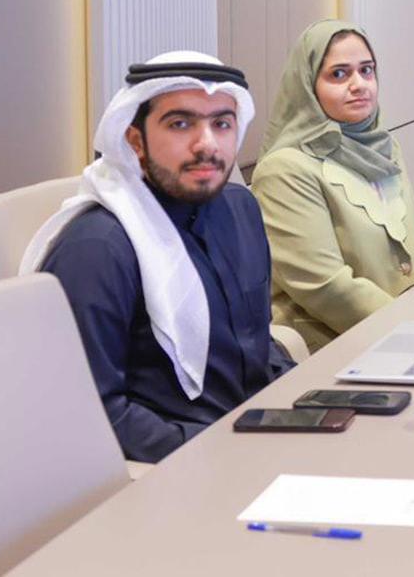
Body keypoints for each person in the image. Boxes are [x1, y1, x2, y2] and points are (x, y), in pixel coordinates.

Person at [20, 52, 294, 463]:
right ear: (135, 141)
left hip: (261, 439)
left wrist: (309, 402)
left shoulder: (240, 208)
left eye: (222, 123)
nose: (207, 144)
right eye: (181, 124)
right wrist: (224, 454)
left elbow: (257, 342)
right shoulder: (98, 249)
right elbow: (94, 415)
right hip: (177, 466)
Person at [253, 21, 414, 353]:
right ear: (307, 86)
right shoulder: (285, 170)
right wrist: (413, 330)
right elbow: (327, 286)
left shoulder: (383, 146)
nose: (359, 85)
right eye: (339, 74)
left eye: (366, 71)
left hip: (408, 331)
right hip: (335, 347)